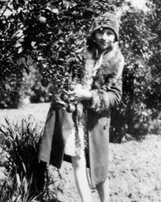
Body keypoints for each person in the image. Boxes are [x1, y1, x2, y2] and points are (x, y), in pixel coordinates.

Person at [38, 12, 125, 202]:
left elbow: (116, 97)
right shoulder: (80, 53)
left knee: (99, 168)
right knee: (78, 161)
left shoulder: (116, 61)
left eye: (110, 33)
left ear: (115, 36)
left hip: (95, 120)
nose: (104, 37)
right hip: (74, 117)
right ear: (93, 33)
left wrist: (90, 95)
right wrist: (69, 92)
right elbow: (64, 79)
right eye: (100, 32)